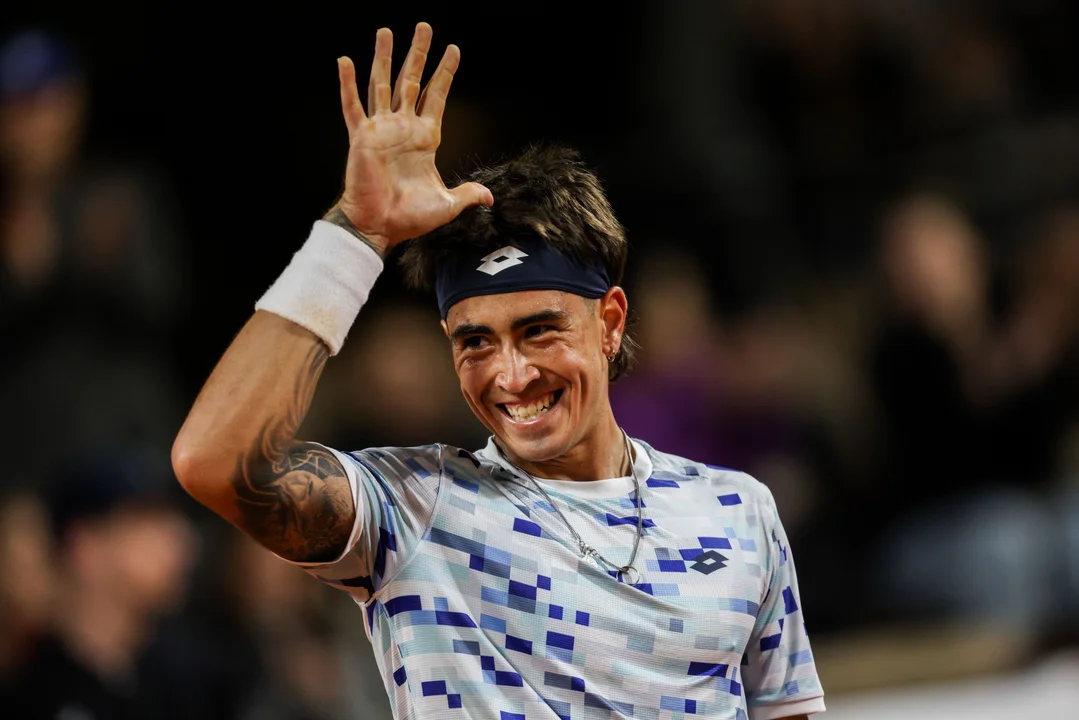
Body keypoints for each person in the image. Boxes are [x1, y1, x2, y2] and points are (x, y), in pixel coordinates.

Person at [173, 22, 824, 720]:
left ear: (609, 322)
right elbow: (215, 461)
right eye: (476, 342)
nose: (510, 375)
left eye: (538, 331)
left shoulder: (738, 512)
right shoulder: (413, 512)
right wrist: (356, 235)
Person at [0, 452, 219, 719]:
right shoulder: (34, 696)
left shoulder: (196, 682)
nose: (184, 541)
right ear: (85, 546)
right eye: (149, 520)